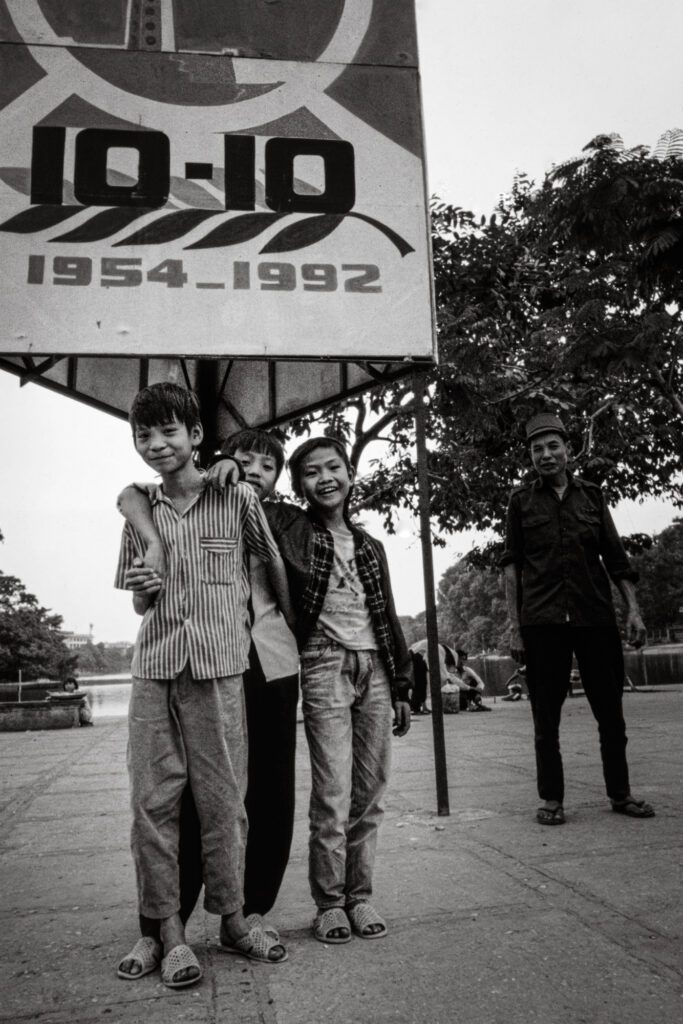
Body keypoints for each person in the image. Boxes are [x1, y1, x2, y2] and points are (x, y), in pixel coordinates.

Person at [114, 383, 293, 989]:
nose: (156, 444)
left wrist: (291, 636)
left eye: (169, 431)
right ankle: (168, 934)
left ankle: (235, 922)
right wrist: (145, 586)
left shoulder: (235, 499)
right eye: (144, 435)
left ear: (196, 436)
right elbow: (138, 602)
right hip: (154, 670)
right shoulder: (140, 510)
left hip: (220, 668)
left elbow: (269, 565)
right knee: (153, 803)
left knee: (223, 801)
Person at [266, 436, 412, 944]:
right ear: (299, 485)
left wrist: (402, 683)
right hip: (324, 662)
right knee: (332, 793)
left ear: (351, 474)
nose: (325, 478)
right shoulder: (293, 527)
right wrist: (225, 467)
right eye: (311, 472)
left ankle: (360, 896)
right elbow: (252, 497)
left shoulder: (371, 545)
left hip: (375, 665)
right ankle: (329, 902)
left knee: (371, 794)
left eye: (334, 467)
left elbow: (387, 613)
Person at [501, 411, 655, 826]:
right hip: (542, 621)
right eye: (537, 449)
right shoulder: (520, 502)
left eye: (553, 447)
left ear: (569, 450)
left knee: (611, 713)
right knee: (545, 718)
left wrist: (633, 611)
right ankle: (551, 799)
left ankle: (620, 794)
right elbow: (511, 567)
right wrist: (515, 626)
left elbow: (616, 558)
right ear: (530, 456)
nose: (546, 455)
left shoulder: (593, 497)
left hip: (594, 618)